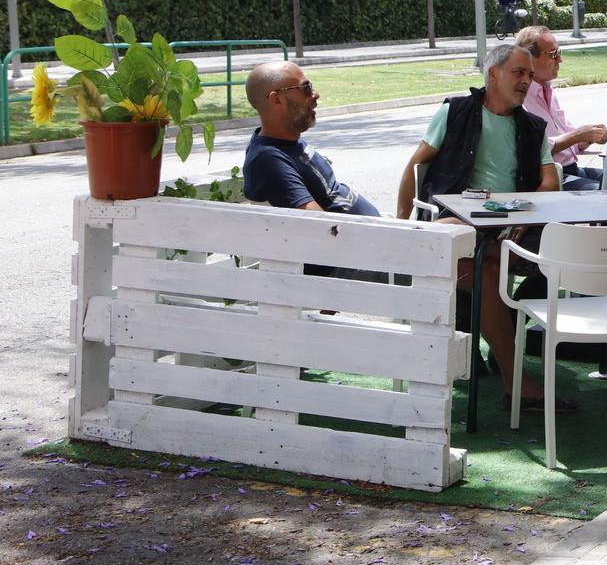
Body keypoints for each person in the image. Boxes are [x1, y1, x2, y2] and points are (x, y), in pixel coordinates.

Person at [395, 43, 564, 410]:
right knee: (483, 266)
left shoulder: (532, 126)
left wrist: (522, 214)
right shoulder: (456, 111)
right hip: (457, 218)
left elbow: (550, 182)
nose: (526, 82)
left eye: (530, 75)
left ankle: (507, 337)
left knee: (564, 250)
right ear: (493, 74)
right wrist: (401, 224)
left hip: (511, 224)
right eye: (519, 73)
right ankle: (515, 378)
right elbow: (414, 167)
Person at [516, 25, 607, 202]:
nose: (560, 60)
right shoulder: (522, 97)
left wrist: (588, 137)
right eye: (553, 54)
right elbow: (538, 147)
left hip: (572, 169)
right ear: (530, 59)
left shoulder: (547, 90)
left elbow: (567, 135)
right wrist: (579, 134)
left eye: (559, 52)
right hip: (552, 176)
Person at [241, 61, 378, 217]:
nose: (315, 94)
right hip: (360, 238)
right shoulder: (269, 161)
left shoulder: (289, 142)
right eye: (306, 89)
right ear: (277, 100)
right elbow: (319, 225)